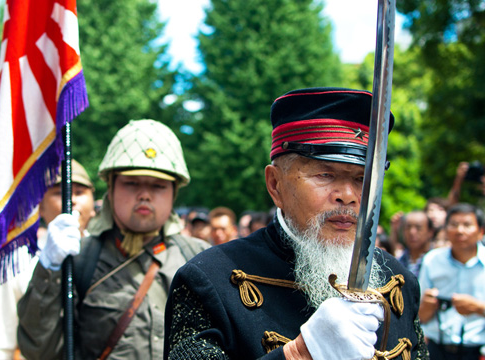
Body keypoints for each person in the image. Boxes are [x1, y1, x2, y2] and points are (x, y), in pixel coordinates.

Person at [164, 88, 428, 359]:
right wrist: (299, 354)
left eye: (362, 179)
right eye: (326, 174)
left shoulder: (400, 281)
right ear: (275, 184)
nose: (348, 196)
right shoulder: (209, 280)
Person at [17, 119, 210, 360]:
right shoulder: (79, 259)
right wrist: (49, 268)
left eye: (158, 185)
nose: (144, 195)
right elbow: (39, 349)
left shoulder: (201, 260)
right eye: (131, 183)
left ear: (174, 192)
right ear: (111, 186)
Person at [0, 160, 96, 360]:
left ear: (93, 205)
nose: (71, 199)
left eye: (80, 192)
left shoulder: (107, 254)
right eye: (59, 192)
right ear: (40, 208)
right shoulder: (17, 261)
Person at [418, 203, 485, 360]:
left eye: (467, 225)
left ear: (481, 231)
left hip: (477, 352)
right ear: (446, 230)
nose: (460, 230)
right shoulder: (432, 260)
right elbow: (419, 315)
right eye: (454, 225)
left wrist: (478, 308)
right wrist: (427, 306)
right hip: (436, 349)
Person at [398, 210, 435, 278]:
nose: (412, 232)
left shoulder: (436, 260)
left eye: (418, 228)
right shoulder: (398, 262)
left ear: (430, 232)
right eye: (408, 227)